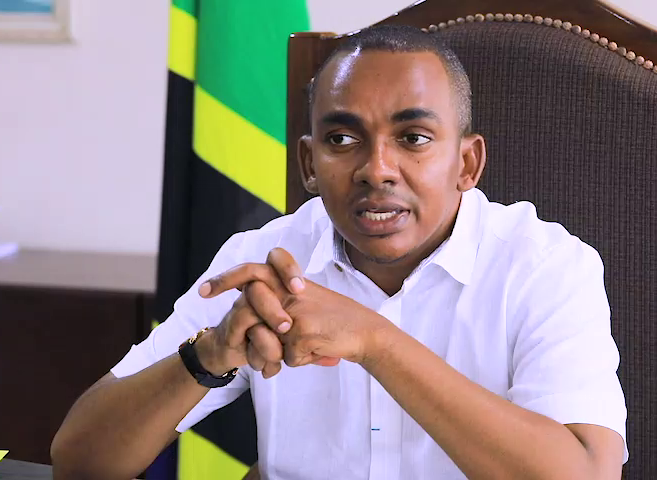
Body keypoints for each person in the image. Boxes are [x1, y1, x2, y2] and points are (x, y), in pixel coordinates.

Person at [51, 25, 627, 480]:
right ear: (309, 164)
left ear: (467, 164)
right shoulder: (264, 259)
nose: (377, 170)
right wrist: (210, 353)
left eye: (414, 138)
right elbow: (79, 459)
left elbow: (586, 472)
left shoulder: (547, 267)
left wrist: (375, 341)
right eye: (342, 140)